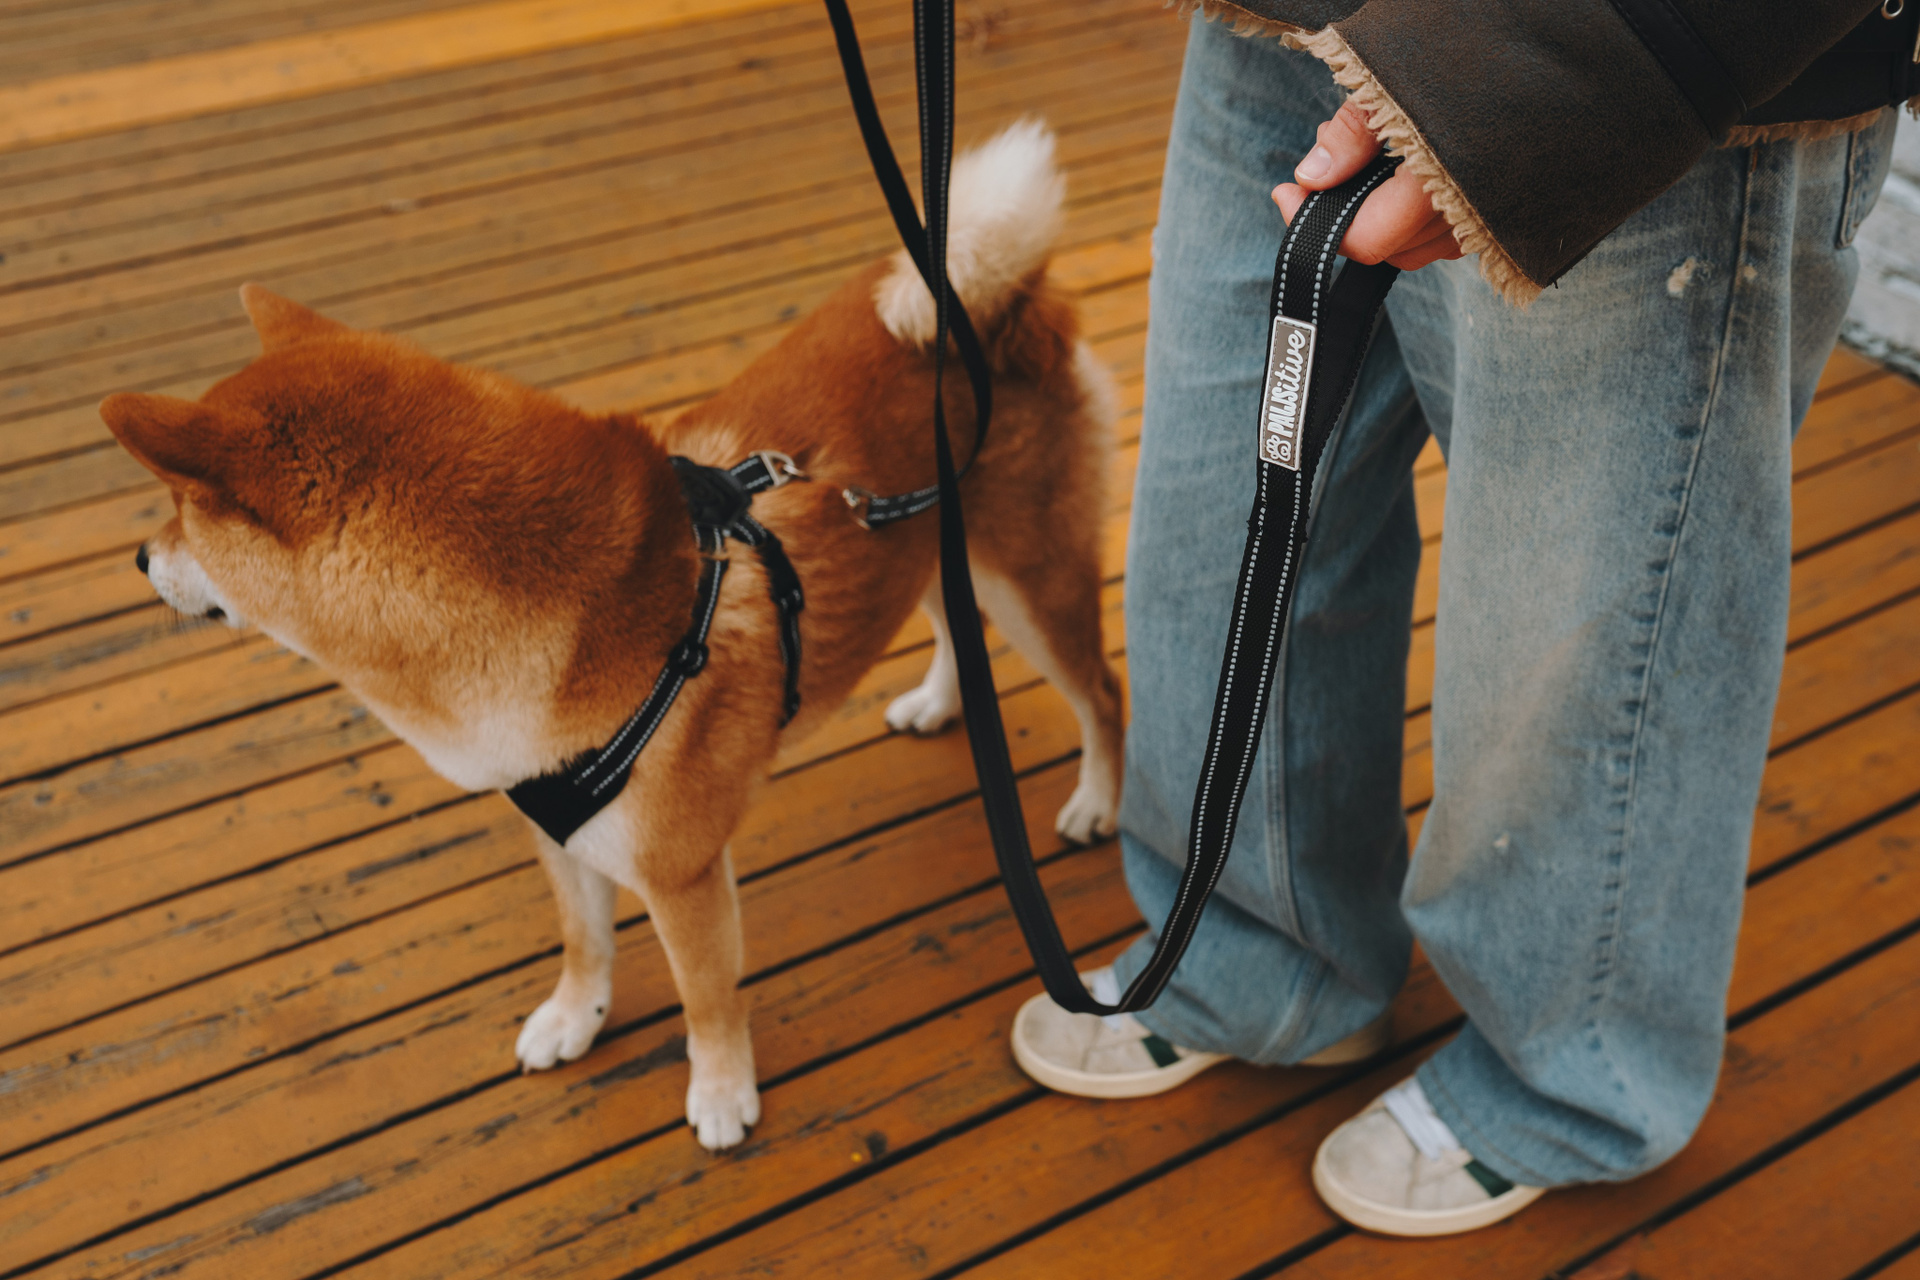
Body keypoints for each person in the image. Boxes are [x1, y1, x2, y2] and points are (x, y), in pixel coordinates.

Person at [1008, 0, 1915, 1237]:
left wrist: (1551, 78)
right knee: (1226, 506)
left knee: (1576, 618)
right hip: (1285, 20)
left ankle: (1567, 1071)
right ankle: (1265, 946)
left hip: (1623, 49)